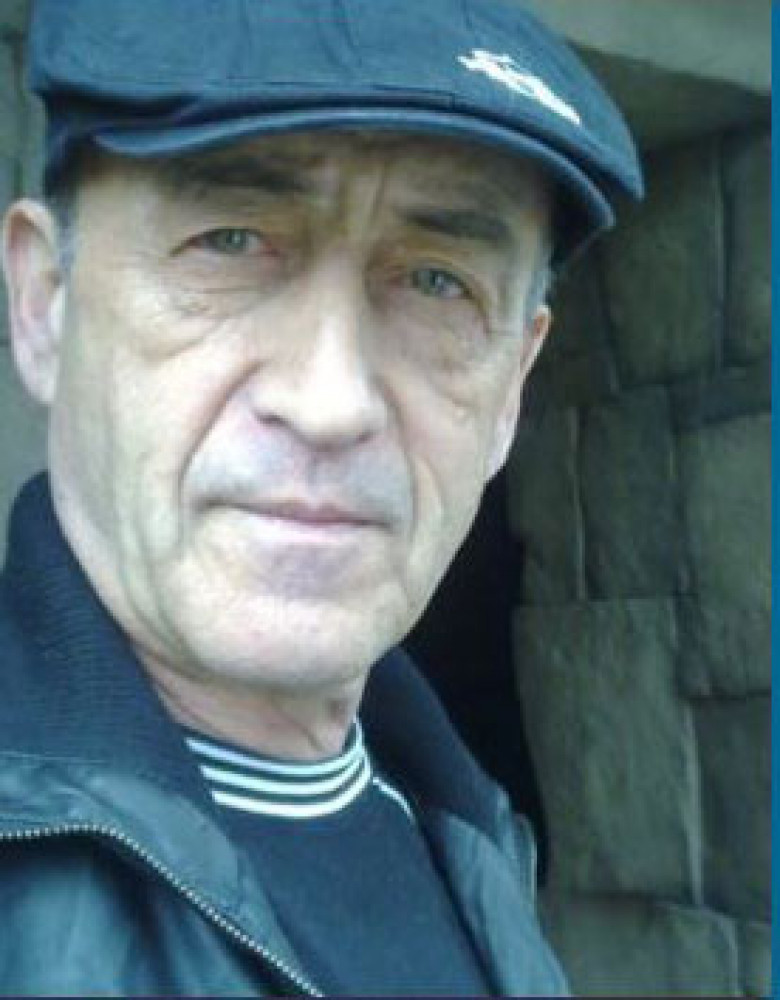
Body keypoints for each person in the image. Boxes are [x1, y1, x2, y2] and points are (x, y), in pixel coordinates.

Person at [0, 0, 641, 995]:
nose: (331, 400)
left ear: (513, 385)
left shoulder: (475, 841)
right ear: (45, 303)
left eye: (438, 282)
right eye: (229, 240)